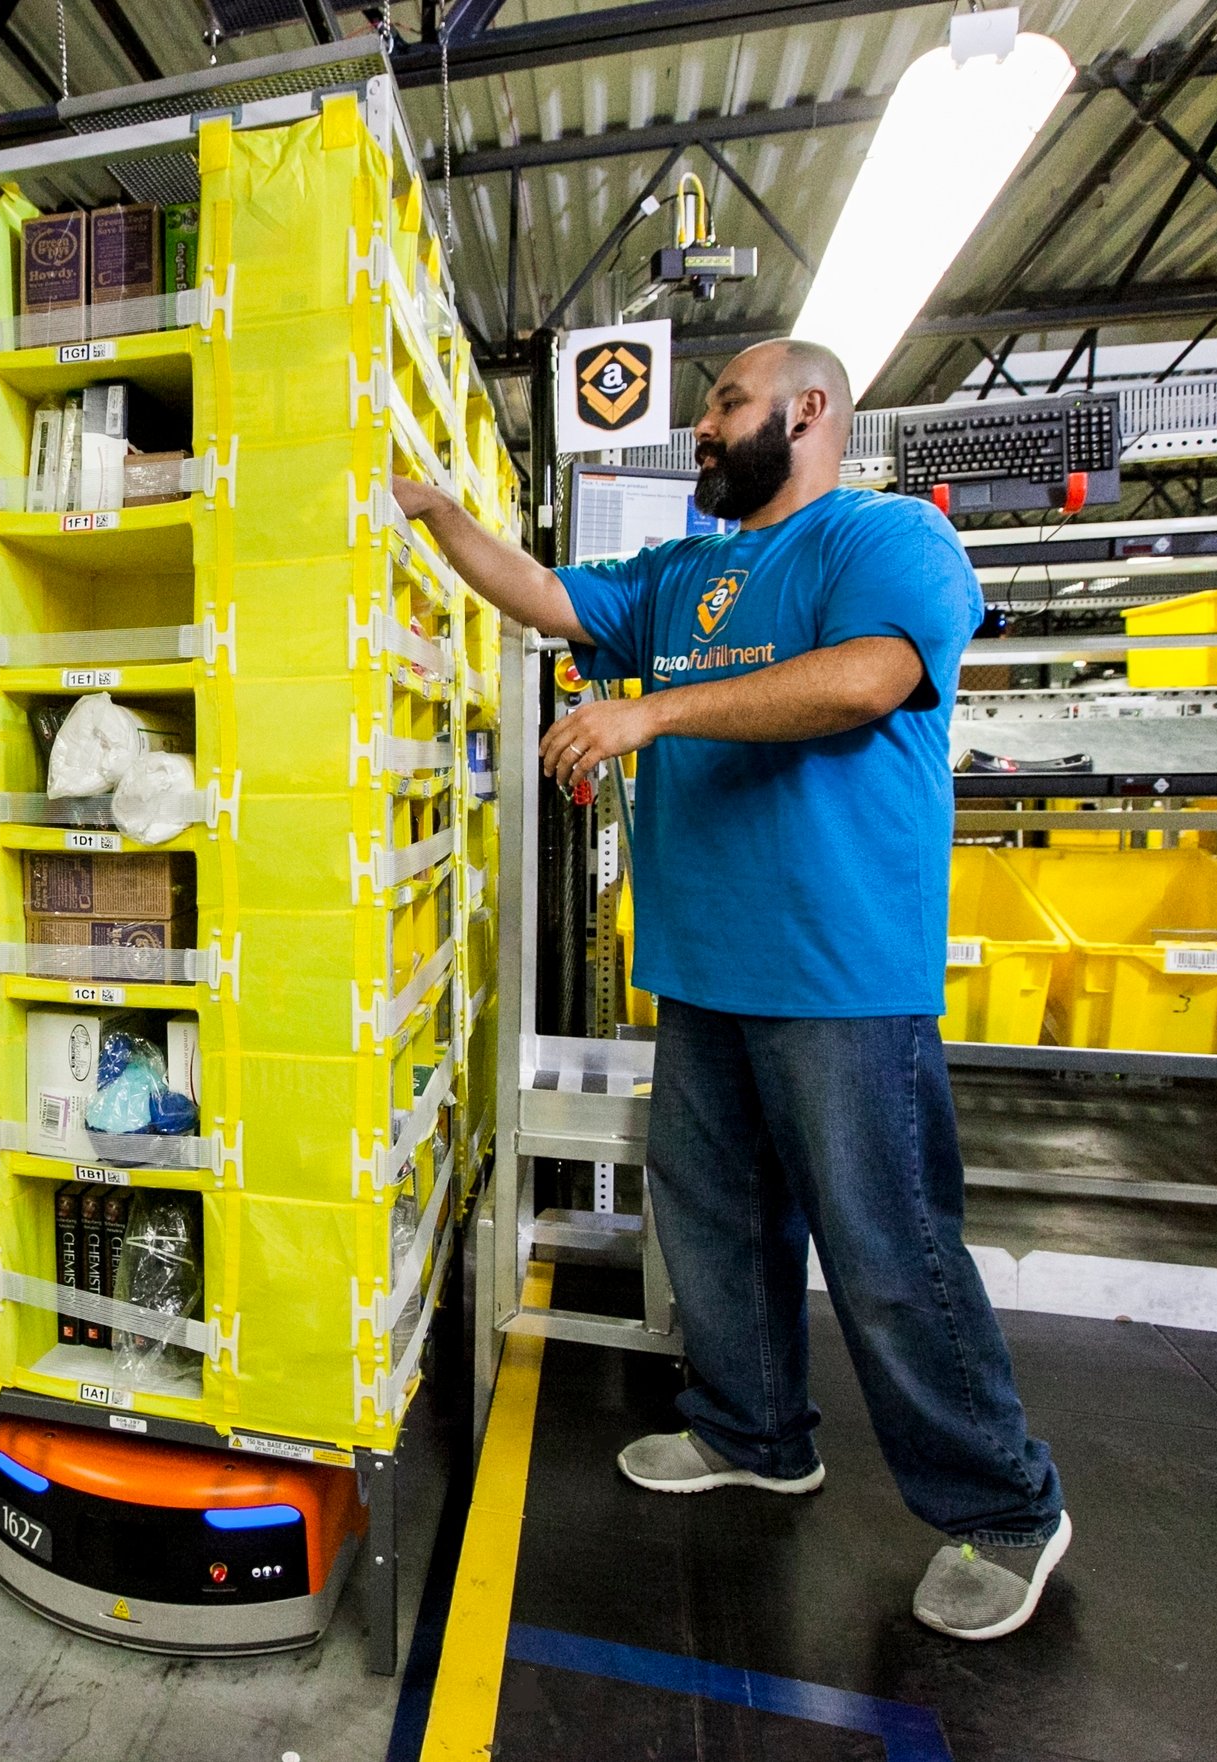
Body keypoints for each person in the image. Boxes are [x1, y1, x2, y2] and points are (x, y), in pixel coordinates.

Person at [393, 338, 1068, 1642]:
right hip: (703, 968)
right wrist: (433, 512)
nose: (702, 427)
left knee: (885, 1248)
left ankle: (1003, 1509)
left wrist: (651, 715)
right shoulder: (683, 573)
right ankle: (754, 1432)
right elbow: (543, 596)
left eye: (722, 403)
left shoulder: (884, 542)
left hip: (839, 973)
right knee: (712, 1220)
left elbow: (866, 679)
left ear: (807, 410)